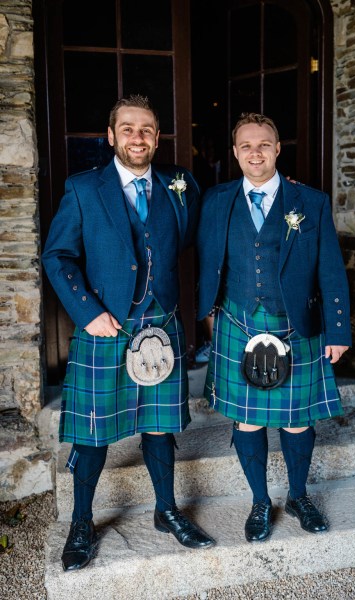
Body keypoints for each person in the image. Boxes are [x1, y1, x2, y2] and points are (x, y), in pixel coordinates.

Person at [42, 94, 215, 572]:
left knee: (159, 428)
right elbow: (57, 257)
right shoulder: (83, 189)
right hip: (105, 325)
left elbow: (203, 230)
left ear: (157, 138)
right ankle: (82, 522)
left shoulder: (180, 186)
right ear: (112, 134)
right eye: (129, 129)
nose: (138, 138)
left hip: (161, 323)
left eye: (147, 130)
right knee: (92, 434)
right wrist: (87, 311)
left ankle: (166, 511)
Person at [196, 113, 351, 543]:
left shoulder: (311, 202)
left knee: (297, 420)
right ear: (235, 152)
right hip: (238, 320)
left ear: (278, 148)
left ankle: (299, 496)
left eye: (264, 144)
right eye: (246, 146)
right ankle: (260, 500)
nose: (255, 153)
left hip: (295, 324)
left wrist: (337, 332)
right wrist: (204, 313)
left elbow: (332, 271)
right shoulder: (216, 199)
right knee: (247, 420)